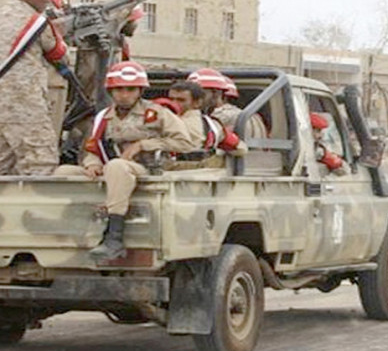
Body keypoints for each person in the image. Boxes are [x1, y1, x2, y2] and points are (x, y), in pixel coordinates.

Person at [53, 61, 193, 261]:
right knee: (63, 172)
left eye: (130, 89)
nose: (124, 94)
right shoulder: (104, 117)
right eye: (119, 89)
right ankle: (69, 228)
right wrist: (91, 163)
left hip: (147, 169)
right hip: (112, 166)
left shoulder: (156, 113)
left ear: (140, 91)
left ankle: (114, 237)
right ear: (111, 91)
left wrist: (144, 145)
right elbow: (91, 146)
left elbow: (184, 143)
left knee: (116, 166)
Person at [0, 0, 68, 175]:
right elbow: (60, 54)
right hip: (23, 102)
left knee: (4, 162)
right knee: (41, 161)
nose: (48, 1)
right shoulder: (37, 22)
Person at [167, 81, 247, 169]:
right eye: (171, 99)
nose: (174, 103)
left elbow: (239, 148)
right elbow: (240, 148)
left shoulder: (163, 122)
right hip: (206, 177)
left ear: (197, 103)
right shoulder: (213, 125)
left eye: (181, 100)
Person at [187, 68, 268, 138]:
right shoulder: (251, 116)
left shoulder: (222, 117)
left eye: (198, 93)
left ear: (215, 93)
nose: (193, 98)